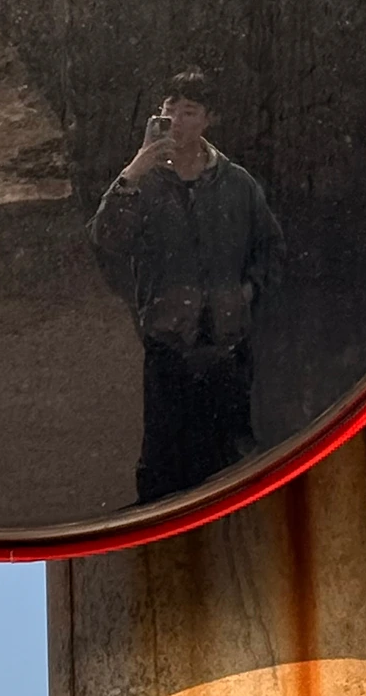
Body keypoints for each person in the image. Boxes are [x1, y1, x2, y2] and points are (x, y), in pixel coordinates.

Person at [88, 69, 282, 504]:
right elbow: (107, 238)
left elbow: (270, 247)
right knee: (163, 463)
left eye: (189, 111)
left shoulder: (236, 184)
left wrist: (247, 293)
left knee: (229, 458)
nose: (175, 120)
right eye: (168, 109)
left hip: (228, 345)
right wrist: (135, 169)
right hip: (169, 344)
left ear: (209, 119)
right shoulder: (145, 184)